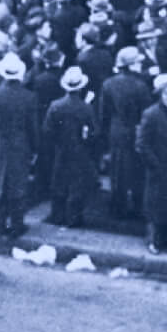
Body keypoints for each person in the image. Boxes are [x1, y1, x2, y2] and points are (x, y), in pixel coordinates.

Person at [0, 51, 36, 238]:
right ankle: (17, 225)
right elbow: (32, 127)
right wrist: (35, 148)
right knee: (18, 184)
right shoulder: (28, 96)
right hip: (20, 143)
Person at [136, 72, 167, 254]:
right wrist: (155, 165)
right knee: (156, 204)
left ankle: (166, 237)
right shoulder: (151, 115)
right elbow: (141, 144)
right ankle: (154, 239)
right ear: (164, 93)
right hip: (159, 167)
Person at [101, 46, 153, 220]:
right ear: (130, 65)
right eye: (137, 61)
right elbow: (146, 112)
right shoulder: (141, 86)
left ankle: (117, 207)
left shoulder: (108, 84)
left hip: (116, 130)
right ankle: (137, 207)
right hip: (136, 130)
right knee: (138, 171)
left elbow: (104, 113)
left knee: (117, 171)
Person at [44, 65, 98, 227]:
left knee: (59, 182)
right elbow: (95, 131)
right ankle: (74, 218)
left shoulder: (55, 105)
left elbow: (47, 130)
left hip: (60, 148)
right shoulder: (86, 108)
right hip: (80, 149)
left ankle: (57, 215)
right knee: (76, 184)